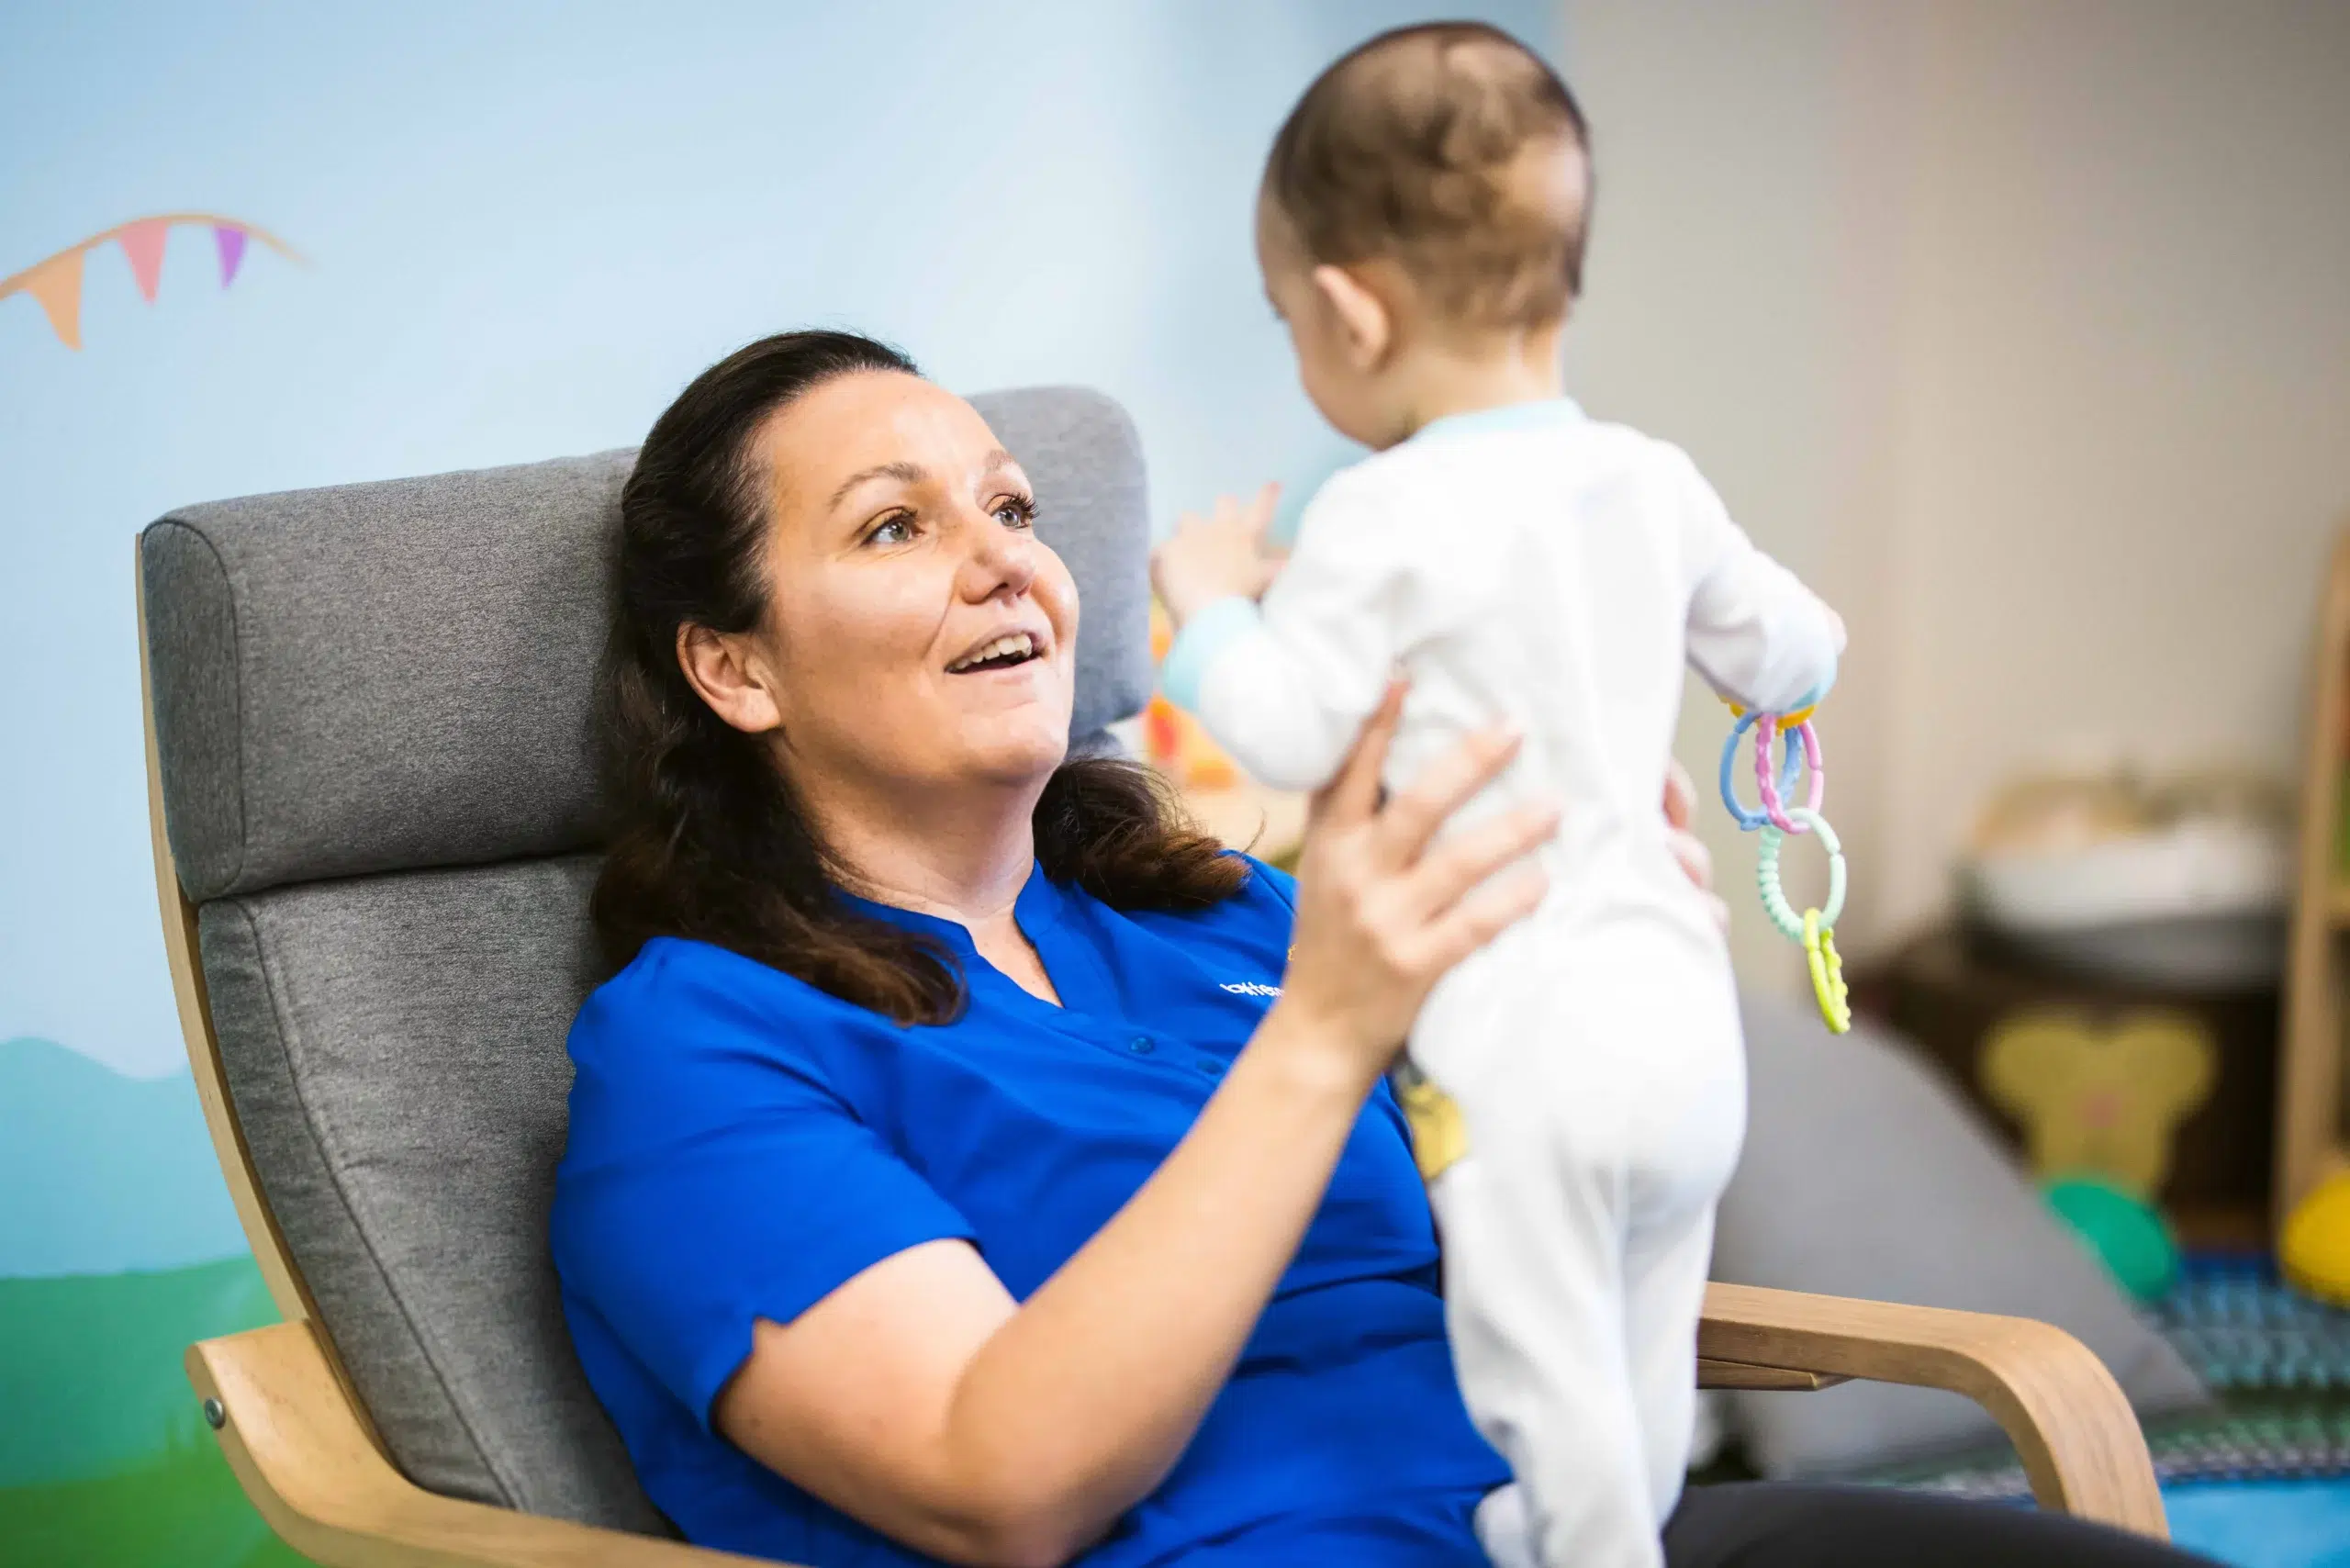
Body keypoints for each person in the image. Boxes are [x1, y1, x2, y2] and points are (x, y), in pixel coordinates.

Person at [550, 328, 2215, 1568]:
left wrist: (1615, 956)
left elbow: (1558, 1189)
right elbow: (1000, 1478)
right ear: (735, 668)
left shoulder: (1219, 915)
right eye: (894, 529)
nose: (1008, 564)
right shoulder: (703, 1053)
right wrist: (1328, 1034)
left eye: (1013, 507)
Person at [1149, 26, 1840, 1568]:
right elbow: (1793, 647)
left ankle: (1585, 1548)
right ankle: (1586, 1530)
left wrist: (1206, 601)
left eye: (1284, 321)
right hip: (1682, 1017)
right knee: (1637, 1345)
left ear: (1347, 309)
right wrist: (1773, 696)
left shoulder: (1376, 513)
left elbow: (1284, 718)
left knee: (1539, 1358)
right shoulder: (1653, 479)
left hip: (1523, 1042)